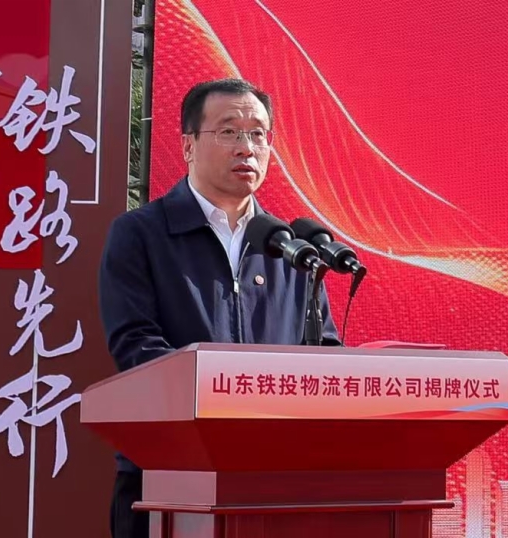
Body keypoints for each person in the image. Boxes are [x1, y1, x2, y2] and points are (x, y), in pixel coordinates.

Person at [98, 78, 340, 538]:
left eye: (258, 134)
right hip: (167, 476)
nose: (247, 147)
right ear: (188, 146)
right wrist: (227, 399)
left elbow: (323, 350)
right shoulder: (141, 234)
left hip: (276, 481)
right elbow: (136, 347)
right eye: (228, 131)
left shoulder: (291, 248)